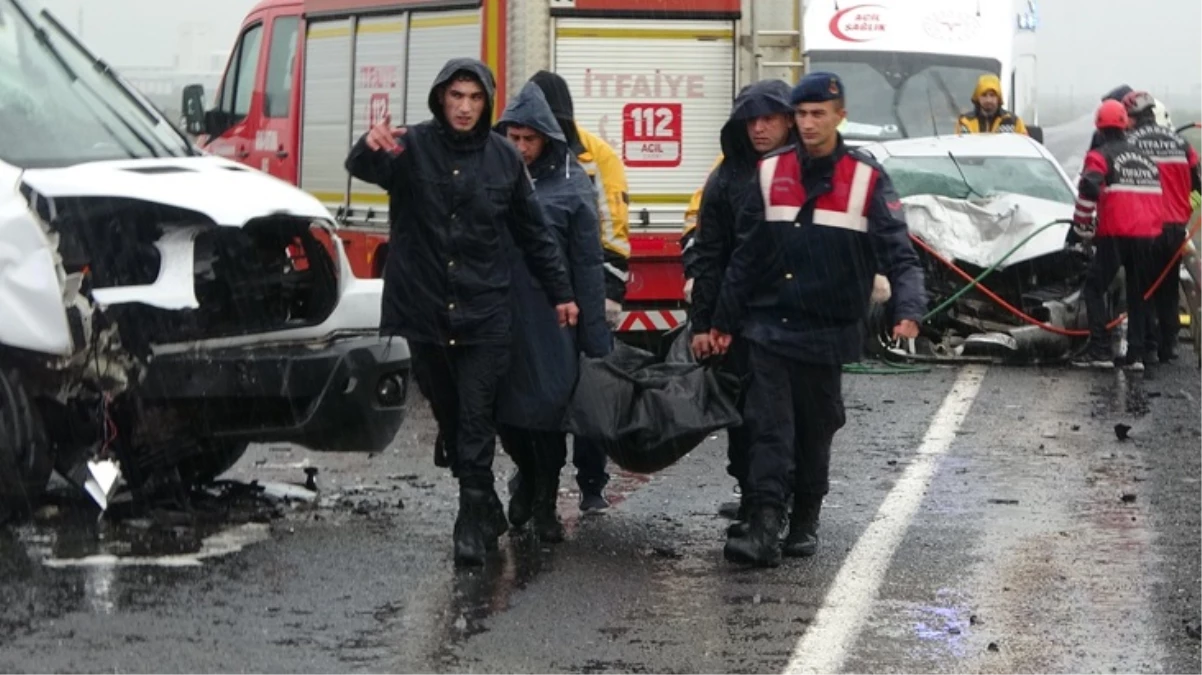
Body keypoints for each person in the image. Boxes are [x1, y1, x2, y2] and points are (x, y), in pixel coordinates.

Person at [344, 58, 579, 567]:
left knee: (476, 418)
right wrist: (371, 143)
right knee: (450, 418)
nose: (466, 107)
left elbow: (533, 231)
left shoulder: (503, 159)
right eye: (457, 97)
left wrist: (562, 292)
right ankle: (485, 499)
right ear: (441, 98)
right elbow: (361, 167)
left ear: (486, 102)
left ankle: (470, 517)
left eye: (475, 98)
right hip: (425, 309)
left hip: (484, 311)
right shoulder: (413, 147)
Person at [709, 72, 927, 567]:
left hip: (829, 326)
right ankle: (764, 524)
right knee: (769, 425)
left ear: (838, 116)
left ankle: (805, 514)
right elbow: (746, 255)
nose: (807, 124)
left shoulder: (866, 178)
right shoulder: (770, 172)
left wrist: (908, 309)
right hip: (769, 323)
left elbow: (900, 253)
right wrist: (722, 320)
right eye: (801, 115)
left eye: (817, 115)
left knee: (815, 426)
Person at [492, 81, 612, 543]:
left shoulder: (571, 184)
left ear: (546, 137)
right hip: (500, 316)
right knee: (505, 414)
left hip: (552, 320)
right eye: (513, 138)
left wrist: (594, 340)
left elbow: (587, 262)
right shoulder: (491, 176)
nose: (520, 148)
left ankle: (543, 501)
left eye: (529, 139)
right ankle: (526, 475)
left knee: (547, 414)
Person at [683, 79, 796, 531]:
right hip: (739, 319)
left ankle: (786, 507)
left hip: (793, 317)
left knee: (788, 418)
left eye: (770, 119)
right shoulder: (726, 178)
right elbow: (709, 255)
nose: (760, 129)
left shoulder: (804, 172)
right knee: (743, 415)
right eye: (751, 120)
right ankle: (755, 499)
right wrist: (703, 324)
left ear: (789, 120)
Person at [524, 70, 630, 511]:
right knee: (537, 394)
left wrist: (606, 295)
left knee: (589, 392)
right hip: (536, 298)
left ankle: (591, 483)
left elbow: (613, 230)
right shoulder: (518, 153)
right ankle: (532, 481)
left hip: (586, 293)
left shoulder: (594, 156)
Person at [1069, 100, 1164, 371]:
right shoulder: (1146, 160)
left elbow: (1089, 187)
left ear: (1099, 125)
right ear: (1124, 123)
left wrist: (1081, 225)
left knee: (1094, 288)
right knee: (1138, 294)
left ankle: (1100, 349)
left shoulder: (1099, 155)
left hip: (1116, 233)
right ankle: (1136, 355)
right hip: (1148, 234)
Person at [1122, 90, 1202, 363]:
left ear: (1135, 116)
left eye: (1127, 117)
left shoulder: (1130, 142)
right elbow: (1198, 184)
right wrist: (1186, 208)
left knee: (1143, 286)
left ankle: (1148, 346)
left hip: (1146, 227)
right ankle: (1170, 344)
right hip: (1175, 229)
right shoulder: (1182, 143)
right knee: (1168, 285)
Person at [956, 74, 1029, 136]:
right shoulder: (965, 121)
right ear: (977, 97)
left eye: (992, 95)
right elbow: (958, 148)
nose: (988, 100)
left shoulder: (1014, 122)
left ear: (999, 97)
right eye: (984, 95)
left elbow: (1026, 148)